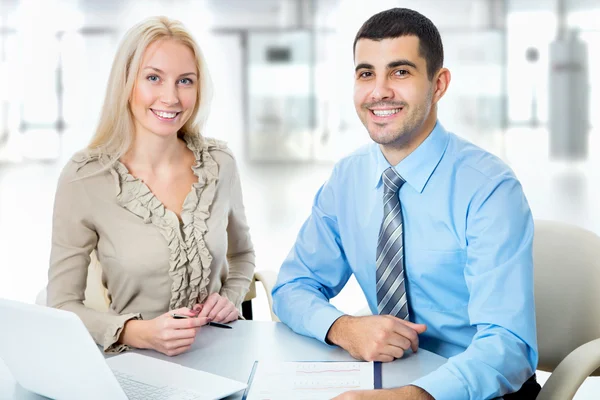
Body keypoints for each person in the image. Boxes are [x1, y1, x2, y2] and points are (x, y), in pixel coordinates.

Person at [272, 8, 539, 400]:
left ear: (438, 83)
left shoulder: (490, 189)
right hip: (383, 376)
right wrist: (344, 328)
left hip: (474, 388)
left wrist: (411, 396)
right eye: (366, 73)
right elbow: (292, 286)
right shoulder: (347, 178)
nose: (379, 91)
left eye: (400, 72)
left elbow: (508, 346)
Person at [47, 16, 255, 356]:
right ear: (127, 83)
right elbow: (61, 306)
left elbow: (243, 255)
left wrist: (229, 299)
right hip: (137, 363)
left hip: (224, 350)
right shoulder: (83, 178)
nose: (170, 97)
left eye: (185, 81)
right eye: (153, 78)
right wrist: (136, 333)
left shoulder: (220, 163)